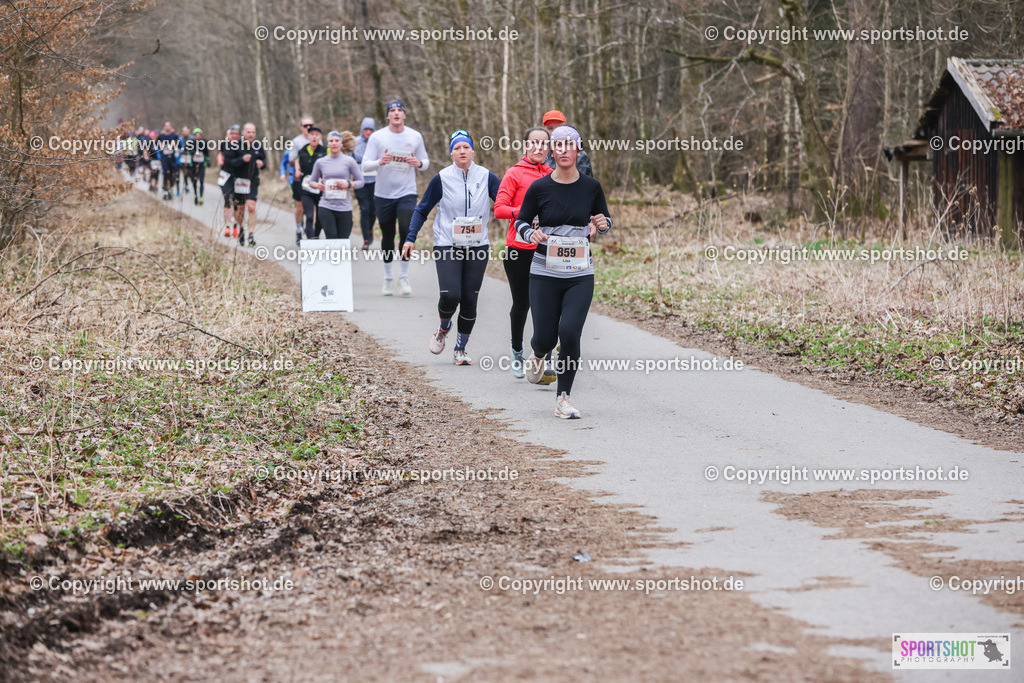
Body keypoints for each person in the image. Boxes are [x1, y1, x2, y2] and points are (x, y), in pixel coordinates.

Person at [515, 126, 611, 419]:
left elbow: (605, 218)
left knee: (569, 332)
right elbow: (520, 222)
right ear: (553, 151)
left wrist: (604, 224)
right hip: (545, 272)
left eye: (571, 145)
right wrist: (529, 235)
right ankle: (539, 353)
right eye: (559, 145)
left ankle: (563, 399)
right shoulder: (540, 188)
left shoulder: (591, 187)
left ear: (578, 150)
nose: (565, 150)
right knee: (544, 336)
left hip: (580, 273)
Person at [401, 130, 500, 365]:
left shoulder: (487, 177)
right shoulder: (442, 178)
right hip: (447, 243)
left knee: (469, 299)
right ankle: (444, 327)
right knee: (450, 295)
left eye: (466, 147)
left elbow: (505, 203)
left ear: (473, 151)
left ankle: (460, 349)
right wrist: (410, 237)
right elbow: (422, 209)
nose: (462, 151)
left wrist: (525, 219)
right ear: (451, 154)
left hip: (478, 246)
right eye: (457, 148)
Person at [494, 126, 558, 383]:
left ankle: (545, 358)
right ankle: (517, 352)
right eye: (535, 143)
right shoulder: (514, 173)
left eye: (545, 144)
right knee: (523, 304)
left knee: (548, 305)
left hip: (545, 249)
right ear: (526, 146)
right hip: (518, 250)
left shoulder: (554, 175)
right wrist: (523, 212)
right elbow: (499, 209)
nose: (540, 148)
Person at [361, 99, 429, 296]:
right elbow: (365, 165)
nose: (397, 113)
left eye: (400, 110)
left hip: (407, 191)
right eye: (393, 110)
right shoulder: (377, 137)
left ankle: (404, 276)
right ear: (388, 116)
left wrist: (418, 163)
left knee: (407, 230)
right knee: (388, 234)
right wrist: (380, 161)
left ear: (405, 115)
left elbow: (425, 161)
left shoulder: (415, 136)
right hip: (383, 194)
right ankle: (389, 277)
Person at [308, 131, 364, 239]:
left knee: (343, 240)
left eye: (337, 141)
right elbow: (311, 182)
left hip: (344, 207)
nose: (334, 143)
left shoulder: (349, 161)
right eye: (331, 141)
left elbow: (361, 181)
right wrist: (318, 185)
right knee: (332, 238)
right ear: (327, 144)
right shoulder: (320, 162)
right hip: (326, 205)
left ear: (341, 144)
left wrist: (348, 184)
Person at [223, 122, 265, 246]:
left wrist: (262, 164)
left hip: (253, 180)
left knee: (251, 207)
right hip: (239, 181)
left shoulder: (257, 145)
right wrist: (242, 160)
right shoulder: (235, 145)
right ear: (243, 133)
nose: (251, 134)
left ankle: (251, 235)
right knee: (240, 209)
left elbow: (264, 159)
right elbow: (229, 163)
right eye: (248, 132)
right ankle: (241, 229)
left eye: (253, 132)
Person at [292, 125, 326, 241]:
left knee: (320, 218)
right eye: (312, 134)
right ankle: (311, 241)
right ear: (308, 137)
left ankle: (315, 237)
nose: (314, 137)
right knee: (310, 216)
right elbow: (297, 160)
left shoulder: (325, 150)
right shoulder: (303, 151)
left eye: (317, 135)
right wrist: (297, 169)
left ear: (320, 137)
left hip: (320, 189)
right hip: (306, 189)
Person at [283, 116, 314, 243]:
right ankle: (298, 229)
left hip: (313, 177)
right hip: (299, 178)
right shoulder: (296, 141)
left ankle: (311, 230)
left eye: (310, 125)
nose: (308, 128)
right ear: (301, 127)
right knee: (300, 206)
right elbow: (290, 160)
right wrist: (298, 163)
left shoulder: (318, 140)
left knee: (313, 207)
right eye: (305, 125)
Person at [541, 110, 593, 177]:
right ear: (545, 130)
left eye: (558, 127)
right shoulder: (539, 153)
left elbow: (583, 182)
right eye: (550, 128)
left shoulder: (579, 155)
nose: (555, 131)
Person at [352, 116, 378, 249]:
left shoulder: (377, 142)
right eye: (366, 129)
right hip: (360, 180)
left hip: (375, 181)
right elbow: (350, 159)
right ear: (362, 130)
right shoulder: (355, 143)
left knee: (373, 210)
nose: (368, 132)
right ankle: (366, 240)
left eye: (371, 130)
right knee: (364, 209)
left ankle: (370, 230)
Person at [218, 126, 240, 237]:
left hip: (237, 177)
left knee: (236, 202)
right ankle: (227, 225)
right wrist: (220, 159)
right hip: (225, 176)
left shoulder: (242, 145)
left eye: (236, 134)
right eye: (231, 134)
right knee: (227, 199)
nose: (233, 136)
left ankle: (235, 225)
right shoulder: (223, 144)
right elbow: (220, 154)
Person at [184, 128, 209, 205]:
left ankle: (201, 197)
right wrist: (190, 162)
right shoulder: (191, 142)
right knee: (194, 181)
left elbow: (207, 153)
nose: (198, 136)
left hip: (201, 164)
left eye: (199, 135)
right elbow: (187, 152)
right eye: (196, 135)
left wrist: (207, 161)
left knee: (201, 181)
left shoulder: (205, 142)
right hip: (193, 165)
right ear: (194, 136)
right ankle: (195, 195)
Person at [156, 122, 178, 200]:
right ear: (164, 127)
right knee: (165, 174)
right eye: (166, 126)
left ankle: (170, 189)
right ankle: (166, 192)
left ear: (171, 127)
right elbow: (157, 145)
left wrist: (174, 145)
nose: (167, 127)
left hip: (172, 158)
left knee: (172, 175)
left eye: (169, 126)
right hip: (164, 158)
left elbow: (178, 146)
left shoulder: (174, 136)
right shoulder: (161, 136)